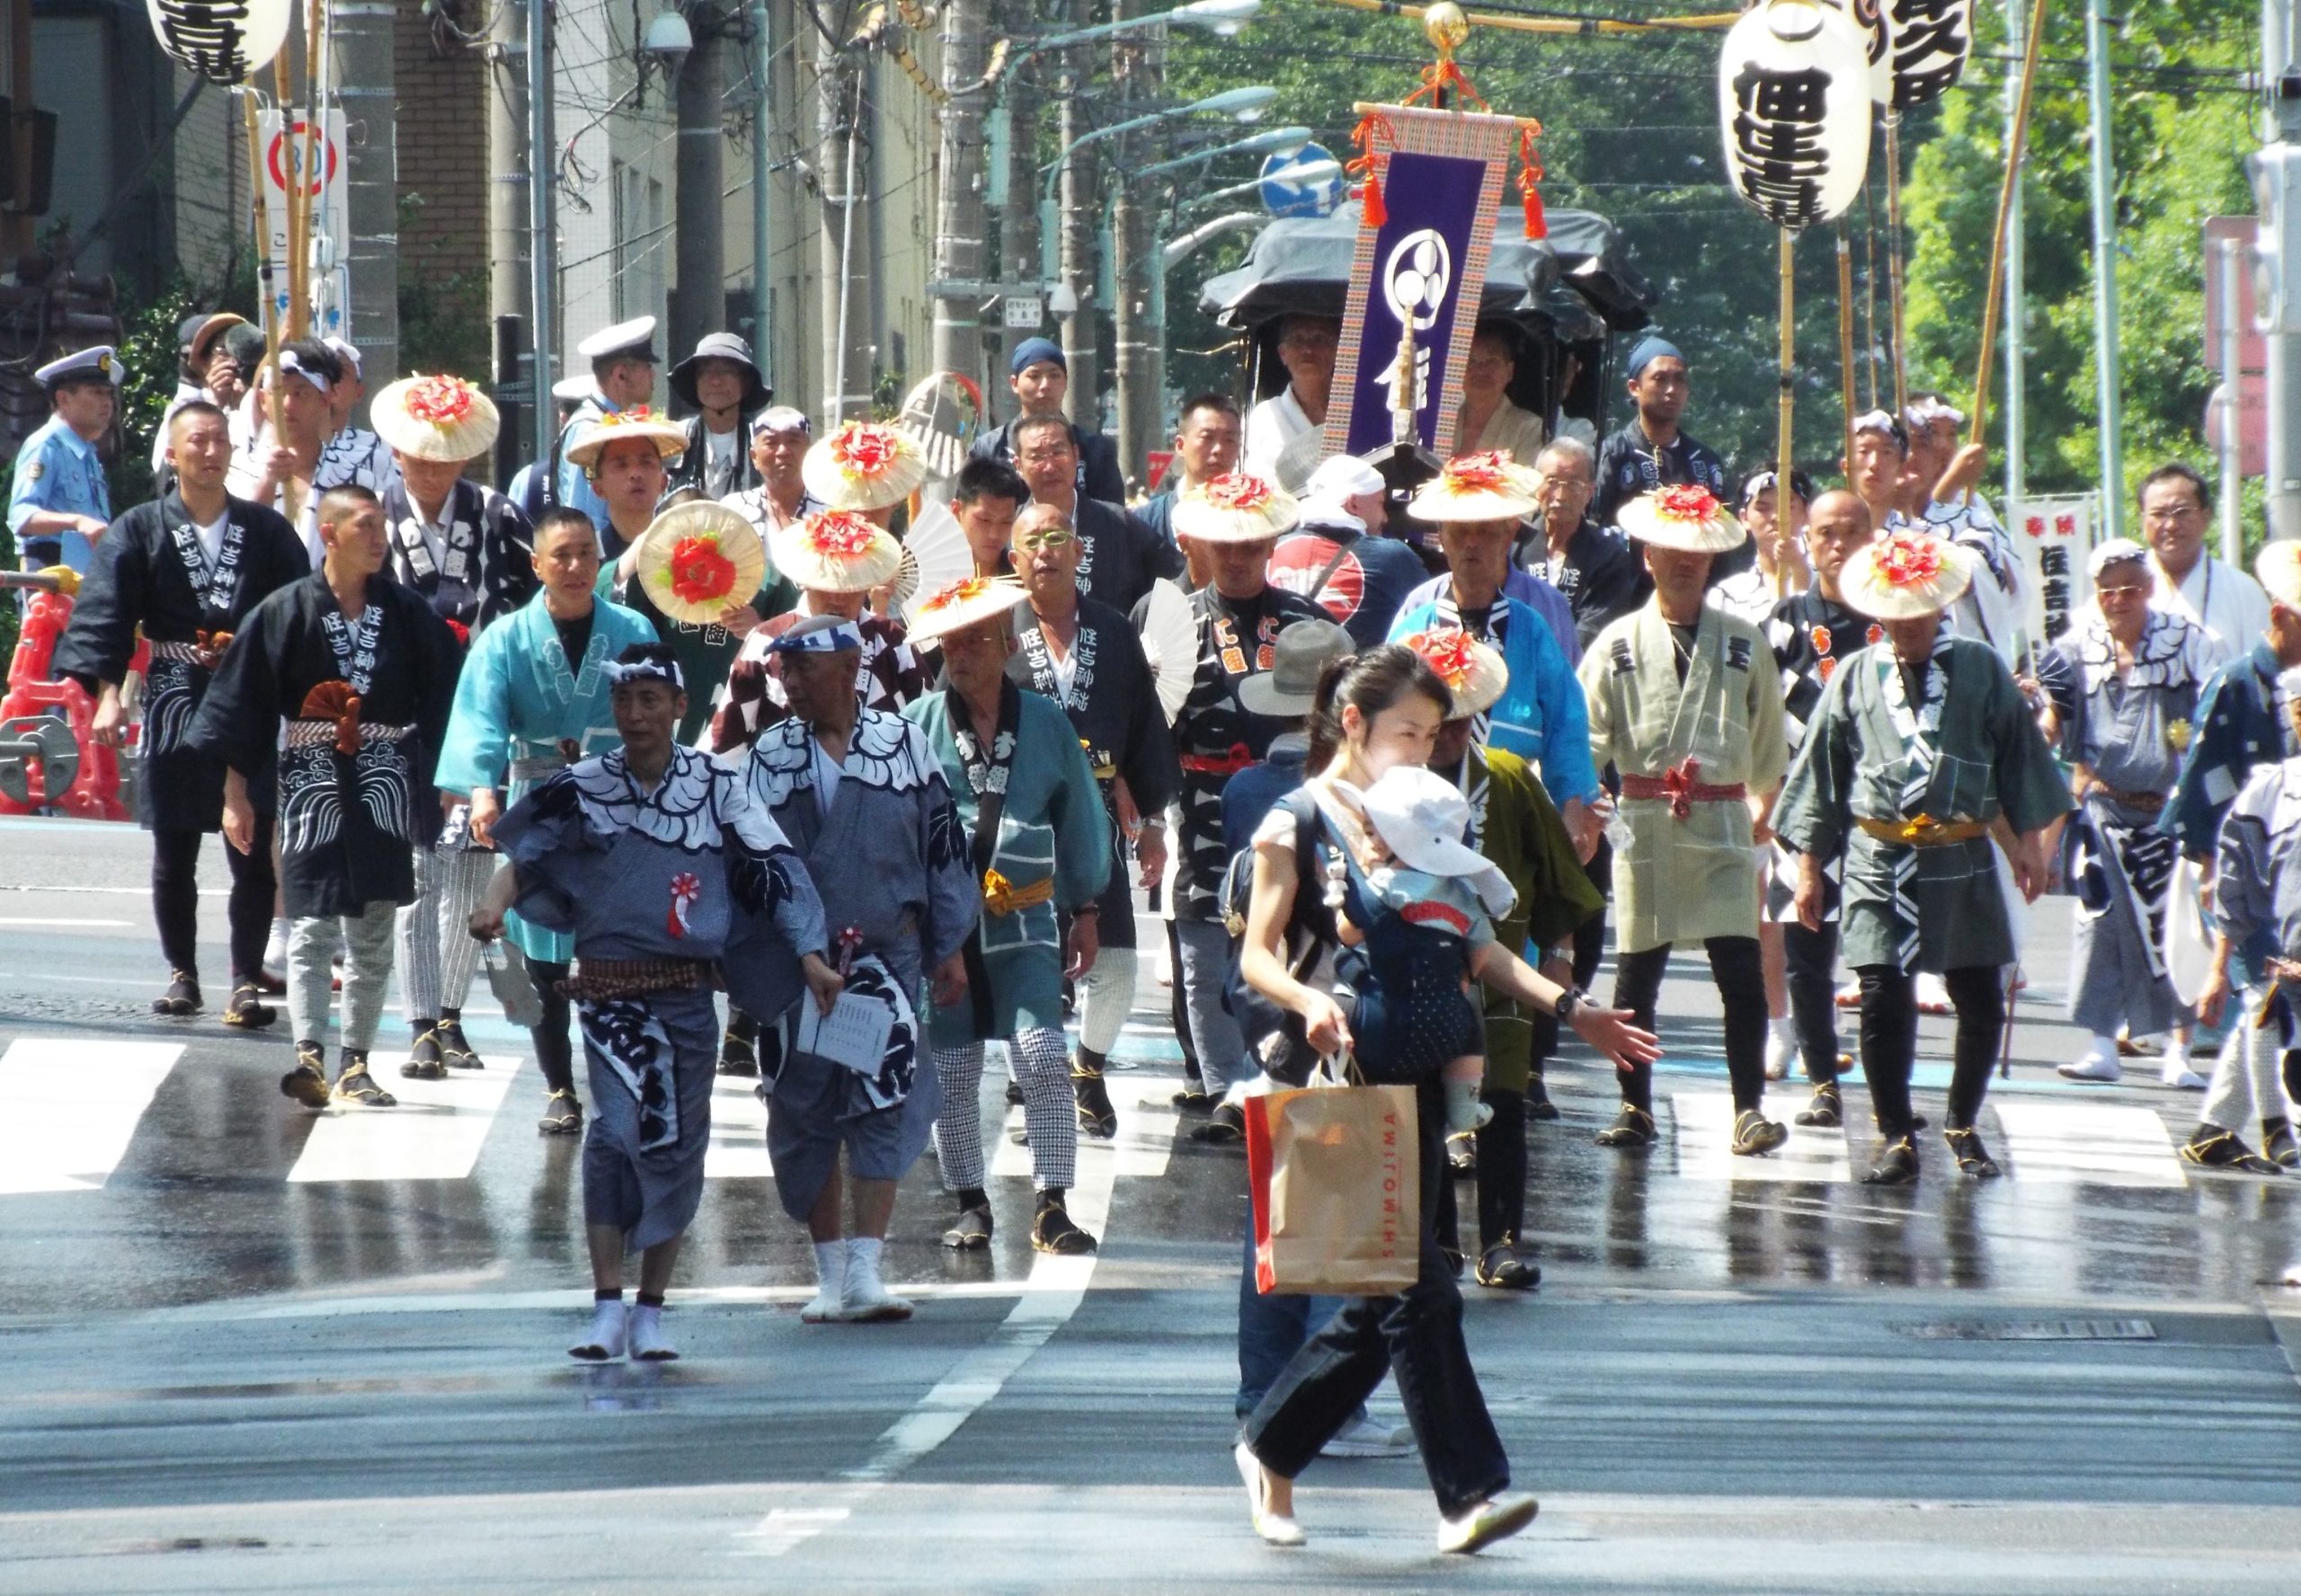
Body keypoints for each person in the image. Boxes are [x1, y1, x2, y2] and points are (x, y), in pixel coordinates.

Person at [1230, 644, 1655, 1556]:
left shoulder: (1426, 818)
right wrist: (1305, 1001)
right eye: (1406, 733)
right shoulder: (1295, 819)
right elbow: (1256, 952)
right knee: (1417, 1285)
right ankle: (1467, 1495)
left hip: (1420, 1079)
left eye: (1433, 733)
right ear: (1353, 723)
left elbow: (1481, 950)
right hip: (1339, 1080)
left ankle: (1271, 1444)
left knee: (1386, 1291)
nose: (1423, 750)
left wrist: (1572, 1009)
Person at [472, 643, 833, 1361]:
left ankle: (651, 1310)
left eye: (650, 700)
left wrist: (811, 957)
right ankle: (606, 1305)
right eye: (624, 700)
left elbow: (774, 868)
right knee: (613, 1134)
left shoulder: (717, 784)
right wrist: (492, 905)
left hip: (687, 997)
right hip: (607, 993)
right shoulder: (584, 783)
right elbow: (523, 861)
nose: (635, 714)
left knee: (675, 1143)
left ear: (678, 708)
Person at [1773, 528, 2069, 1184]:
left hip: (1959, 856)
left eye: (1918, 611)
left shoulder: (1981, 667)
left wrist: (2028, 847)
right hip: (1878, 857)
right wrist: (1806, 868)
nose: (1906, 624)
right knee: (1881, 996)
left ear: (1940, 605)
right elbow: (1821, 775)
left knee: (1981, 1000)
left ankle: (1962, 1122)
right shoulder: (1854, 674)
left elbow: (2020, 758)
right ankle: (1894, 1133)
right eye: (1894, 613)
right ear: (1878, 612)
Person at [721, 614, 978, 1317]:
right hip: (798, 964)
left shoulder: (904, 745)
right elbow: (747, 866)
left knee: (885, 1100)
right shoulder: (769, 756)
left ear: (847, 668)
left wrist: (948, 945)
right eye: (784, 672)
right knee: (802, 1110)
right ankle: (828, 1272)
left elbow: (942, 845)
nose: (790, 684)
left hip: (888, 957)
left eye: (802, 671)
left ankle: (866, 1268)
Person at [191, 486, 460, 1109]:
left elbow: (447, 693)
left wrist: (451, 779)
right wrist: (235, 793)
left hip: (385, 774)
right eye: (364, 526)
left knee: (370, 928)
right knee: (310, 923)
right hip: (310, 774)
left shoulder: (408, 613)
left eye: (382, 526)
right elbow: (243, 706)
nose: (379, 536)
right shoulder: (284, 610)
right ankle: (309, 1054)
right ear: (331, 533)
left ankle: (357, 1062)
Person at [53, 400, 308, 1024]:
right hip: (173, 692)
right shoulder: (140, 528)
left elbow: (296, 614)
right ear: (173, 452)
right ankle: (182, 973)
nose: (211, 450)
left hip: (248, 693)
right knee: (174, 847)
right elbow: (106, 614)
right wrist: (109, 693)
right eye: (198, 440)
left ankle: (246, 978)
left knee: (252, 843)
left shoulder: (267, 531)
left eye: (221, 439)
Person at [903, 575, 1113, 1254]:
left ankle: (1053, 1203)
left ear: (1001, 642)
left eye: (972, 639)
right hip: (947, 929)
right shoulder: (917, 726)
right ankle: (970, 1201)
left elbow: (1079, 815)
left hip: (1026, 919)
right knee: (955, 1070)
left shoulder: (1046, 722)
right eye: (949, 642)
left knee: (1042, 1053)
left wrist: (1085, 906)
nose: (959, 653)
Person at [435, 508, 662, 1133]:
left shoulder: (632, 626)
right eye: (560, 555)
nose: (574, 566)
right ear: (536, 564)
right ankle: (559, 1085)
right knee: (544, 957)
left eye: (586, 553)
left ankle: (623, 1079)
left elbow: (658, 709)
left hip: (617, 797)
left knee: (616, 952)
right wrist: (483, 792)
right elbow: (480, 715)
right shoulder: (506, 638)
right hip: (539, 799)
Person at [1577, 485, 1789, 1156]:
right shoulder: (1616, 643)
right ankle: (1635, 1106)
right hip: (1645, 819)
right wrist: (1581, 805)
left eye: (1698, 552)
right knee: (1638, 971)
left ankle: (1748, 1107)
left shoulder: (1742, 642)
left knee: (1739, 968)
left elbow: (1768, 736)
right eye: (1672, 551)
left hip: (1723, 816)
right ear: (1648, 556)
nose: (1686, 562)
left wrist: (1765, 799)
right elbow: (1587, 740)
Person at [1398, 628, 1603, 1286]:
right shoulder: (1391, 790)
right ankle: (1440, 1241)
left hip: (1504, 971)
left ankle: (1500, 1243)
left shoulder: (1510, 779)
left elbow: (1556, 878)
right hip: (1421, 972)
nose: (1454, 733)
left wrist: (1562, 956)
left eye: (1464, 719)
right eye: (1440, 721)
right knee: (1426, 1106)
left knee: (1506, 1103)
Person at [369, 373, 539, 1077]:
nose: (434, 466)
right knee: (419, 874)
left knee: (471, 869)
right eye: (419, 453)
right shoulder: (370, 517)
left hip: (479, 712)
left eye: (447, 454)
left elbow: (529, 610)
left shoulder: (499, 515)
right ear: (397, 454)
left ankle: (450, 1015)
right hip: (403, 718)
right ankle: (417, 1020)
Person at [1159, 473, 1329, 1134]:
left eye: (1251, 543)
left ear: (1272, 542)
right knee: (1206, 954)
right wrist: (1145, 813)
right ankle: (1226, 1087)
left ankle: (1277, 1081)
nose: (1236, 556)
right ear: (1200, 542)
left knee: (1297, 950)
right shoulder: (1175, 620)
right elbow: (1152, 729)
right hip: (1203, 808)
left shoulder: (1309, 624)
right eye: (1224, 543)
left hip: (1297, 811)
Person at [1007, 501, 1179, 1138]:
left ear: (1079, 552)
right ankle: (1038, 1078)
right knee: (1032, 959)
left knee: (1117, 958)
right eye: (1033, 540)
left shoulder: (1113, 631)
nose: (1047, 550)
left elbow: (1143, 730)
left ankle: (1088, 1068)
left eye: (1059, 538)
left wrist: (1155, 819)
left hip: (1100, 818)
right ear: (1014, 556)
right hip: (1019, 825)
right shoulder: (996, 629)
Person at [2040, 541, 2209, 1086]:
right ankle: (2101, 1043)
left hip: (2168, 811)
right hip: (2103, 808)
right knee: (2100, 926)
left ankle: (2177, 1051)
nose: (2119, 600)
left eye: (2130, 588)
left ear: (2149, 587)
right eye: (2107, 590)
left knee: (2176, 929)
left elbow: (2210, 716)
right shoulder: (2074, 649)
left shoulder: (2185, 641)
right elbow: (2056, 722)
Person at [2167, 542, 2301, 1171]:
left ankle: (2217, 1127)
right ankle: (2273, 1126)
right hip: (2242, 852)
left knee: (2269, 992)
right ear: (2281, 615)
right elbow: (2204, 774)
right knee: (2261, 990)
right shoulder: (2235, 683)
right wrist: (2205, 860)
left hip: (2291, 860)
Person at [1390, 452, 1600, 842]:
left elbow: (1565, 721)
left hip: (1516, 801)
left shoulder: (1532, 627)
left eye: (1485, 531)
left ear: (1508, 534)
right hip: (1426, 803)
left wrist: (1573, 813)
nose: (1472, 544)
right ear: (1441, 537)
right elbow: (1384, 719)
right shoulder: (1414, 627)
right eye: (1459, 531)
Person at [1759, 489, 1879, 1126]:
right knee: (1806, 952)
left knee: (1886, 956)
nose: (1838, 544)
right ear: (1807, 539)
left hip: (1881, 809)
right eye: (1825, 532)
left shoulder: (1895, 618)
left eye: (1851, 531)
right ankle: (1820, 1079)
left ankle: (1889, 1083)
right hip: (1801, 807)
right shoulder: (1783, 621)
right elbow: (1755, 711)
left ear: (1871, 536)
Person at [2190, 666, 2301, 1176]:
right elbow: (2235, 879)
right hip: (2273, 933)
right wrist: (2220, 965)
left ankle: (2214, 1131)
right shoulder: (2271, 789)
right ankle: (2275, 1126)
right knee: (2266, 1006)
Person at [706, 518, 934, 758]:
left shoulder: (891, 639)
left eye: (849, 585)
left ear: (866, 584)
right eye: (825, 585)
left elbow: (927, 725)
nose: (837, 598)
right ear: (804, 582)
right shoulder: (765, 641)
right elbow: (727, 745)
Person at [1010, 413, 1181, 615]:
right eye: (1036, 457)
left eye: (1058, 452)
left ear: (1076, 455)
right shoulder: (1008, 530)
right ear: (1018, 466)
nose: (1049, 466)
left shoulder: (1119, 523)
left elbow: (1176, 579)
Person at [1266, 453, 1427, 648]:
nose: (1385, 518)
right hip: (1354, 676)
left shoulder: (1270, 549)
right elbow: (1431, 614)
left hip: (1279, 671)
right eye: (1380, 503)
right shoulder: (1392, 557)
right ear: (1353, 503)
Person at [1517, 437, 1651, 652]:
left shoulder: (1611, 557)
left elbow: (1594, 630)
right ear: (1535, 486)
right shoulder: (1515, 544)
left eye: (1574, 484)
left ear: (1590, 491)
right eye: (1551, 482)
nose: (1561, 496)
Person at [2139, 462, 2271, 671]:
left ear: (2206, 515)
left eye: (2182, 512)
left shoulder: (2243, 591)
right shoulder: (2123, 590)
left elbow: (2266, 672)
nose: (2171, 525)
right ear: (2143, 520)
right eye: (2159, 514)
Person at [1590, 337, 1730, 528]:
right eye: (1660, 379)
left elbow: (1723, 534)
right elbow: (1593, 525)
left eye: (1679, 379)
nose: (1671, 389)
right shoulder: (1612, 453)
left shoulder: (1706, 461)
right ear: (1634, 387)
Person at [968, 338, 1126, 504]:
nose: (1045, 385)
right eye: (1034, 376)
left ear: (1065, 381)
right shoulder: (989, 449)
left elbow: (1112, 518)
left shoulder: (1096, 451)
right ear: (1014, 383)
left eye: (1054, 375)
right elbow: (973, 514)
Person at [226, 340, 342, 563]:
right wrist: (269, 481)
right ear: (262, 400)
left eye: (301, 394)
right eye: (278, 394)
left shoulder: (353, 475)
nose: (288, 405)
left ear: (325, 399)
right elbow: (234, 539)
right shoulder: (237, 469)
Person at [10, 345, 120, 573]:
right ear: (63, 398)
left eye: (108, 393)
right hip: (50, 570)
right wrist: (77, 522)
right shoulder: (46, 445)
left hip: (86, 571)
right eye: (96, 393)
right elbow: (21, 516)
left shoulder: (87, 452)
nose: (107, 402)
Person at [548, 316, 661, 531]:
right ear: (620, 375)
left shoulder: (608, 421)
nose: (652, 374)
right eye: (646, 366)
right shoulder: (589, 429)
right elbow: (586, 519)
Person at [562, 405, 688, 561]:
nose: (636, 474)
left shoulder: (685, 551)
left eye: (646, 463)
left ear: (663, 482)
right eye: (621, 465)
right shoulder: (587, 559)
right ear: (598, 488)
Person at [666, 332, 771, 500]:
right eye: (706, 372)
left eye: (726, 371)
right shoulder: (672, 441)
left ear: (746, 383)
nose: (715, 381)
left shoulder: (764, 443)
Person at [1136, 393, 1242, 547]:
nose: (1219, 449)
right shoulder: (1145, 523)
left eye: (1229, 440)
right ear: (1180, 445)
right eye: (1207, 437)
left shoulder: (1254, 521)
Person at [150, 314, 250, 477]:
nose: (233, 362)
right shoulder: (184, 410)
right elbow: (166, 477)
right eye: (224, 350)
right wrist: (215, 406)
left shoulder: (258, 402)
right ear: (203, 361)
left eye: (238, 350)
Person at [1243, 315, 1340, 480]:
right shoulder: (1265, 416)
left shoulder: (1356, 409)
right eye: (1297, 339)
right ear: (1283, 354)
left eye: (1319, 339)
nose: (1308, 349)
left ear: (1337, 351)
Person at [1712, 467, 1811, 623]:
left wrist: (1799, 568)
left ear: (1807, 513)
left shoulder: (1830, 580)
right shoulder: (1727, 595)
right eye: (1763, 508)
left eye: (1787, 507)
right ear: (1744, 518)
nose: (1776, 517)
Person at [315, 340, 399, 500]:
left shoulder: (379, 451)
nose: (330, 381)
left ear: (359, 392)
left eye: (339, 372)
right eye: (321, 373)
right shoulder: (282, 452)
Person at [720, 406, 821, 538]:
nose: (783, 451)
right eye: (771, 443)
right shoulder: (734, 511)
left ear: (809, 452)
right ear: (754, 457)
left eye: (793, 441)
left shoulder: (833, 514)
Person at [1453, 323, 1547, 464]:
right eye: (1471, 361)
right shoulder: (1441, 422)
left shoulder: (1530, 428)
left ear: (1510, 371)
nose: (1481, 370)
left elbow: (1528, 484)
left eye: (1492, 361)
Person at [951, 457, 1028, 577]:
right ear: (957, 510)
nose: (994, 534)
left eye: (1006, 522)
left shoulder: (1024, 579)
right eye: (984, 520)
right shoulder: (926, 575)